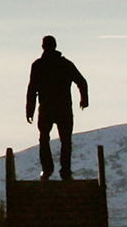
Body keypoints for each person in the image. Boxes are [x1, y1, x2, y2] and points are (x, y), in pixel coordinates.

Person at [25, 35, 88, 180]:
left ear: (43, 47)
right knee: (65, 141)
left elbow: (32, 89)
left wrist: (30, 109)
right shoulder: (65, 64)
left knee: (44, 139)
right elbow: (81, 82)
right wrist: (84, 99)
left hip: (47, 108)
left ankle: (47, 170)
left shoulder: (38, 65)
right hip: (63, 108)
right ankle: (65, 171)